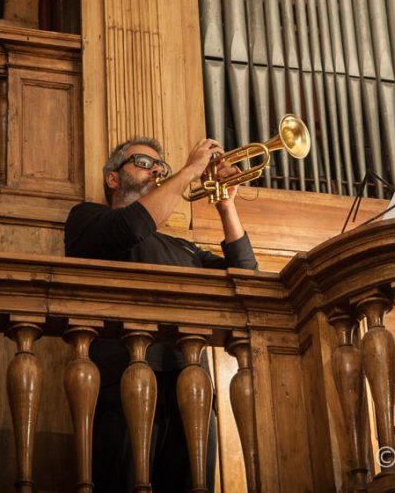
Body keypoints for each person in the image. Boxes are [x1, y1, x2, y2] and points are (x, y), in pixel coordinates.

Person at [65, 135, 258, 492]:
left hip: (191, 388)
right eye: (143, 163)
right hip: (123, 380)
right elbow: (132, 227)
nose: (155, 170)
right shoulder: (87, 218)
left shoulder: (183, 247)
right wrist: (188, 171)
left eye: (160, 167)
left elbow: (245, 276)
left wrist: (226, 204)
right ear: (112, 178)